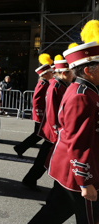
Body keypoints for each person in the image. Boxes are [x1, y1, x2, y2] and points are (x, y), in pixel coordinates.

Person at [29, 20, 99, 223]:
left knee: (51, 214)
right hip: (79, 174)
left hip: (71, 170)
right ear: (88, 70)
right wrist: (85, 181)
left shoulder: (84, 90)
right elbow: (78, 142)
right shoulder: (82, 95)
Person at [22, 54, 74, 190]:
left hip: (56, 132)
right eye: (70, 72)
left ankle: (30, 179)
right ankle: (30, 180)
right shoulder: (56, 86)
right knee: (44, 159)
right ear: (64, 73)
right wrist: (56, 132)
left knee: (45, 159)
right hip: (54, 132)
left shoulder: (61, 85)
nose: (73, 75)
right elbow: (51, 112)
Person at [14, 54, 53, 158]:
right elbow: (36, 101)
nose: (52, 74)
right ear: (45, 74)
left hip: (42, 115)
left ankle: (20, 148)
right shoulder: (42, 84)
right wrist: (40, 115)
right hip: (40, 115)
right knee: (39, 135)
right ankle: (20, 148)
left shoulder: (45, 83)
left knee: (38, 135)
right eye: (50, 72)